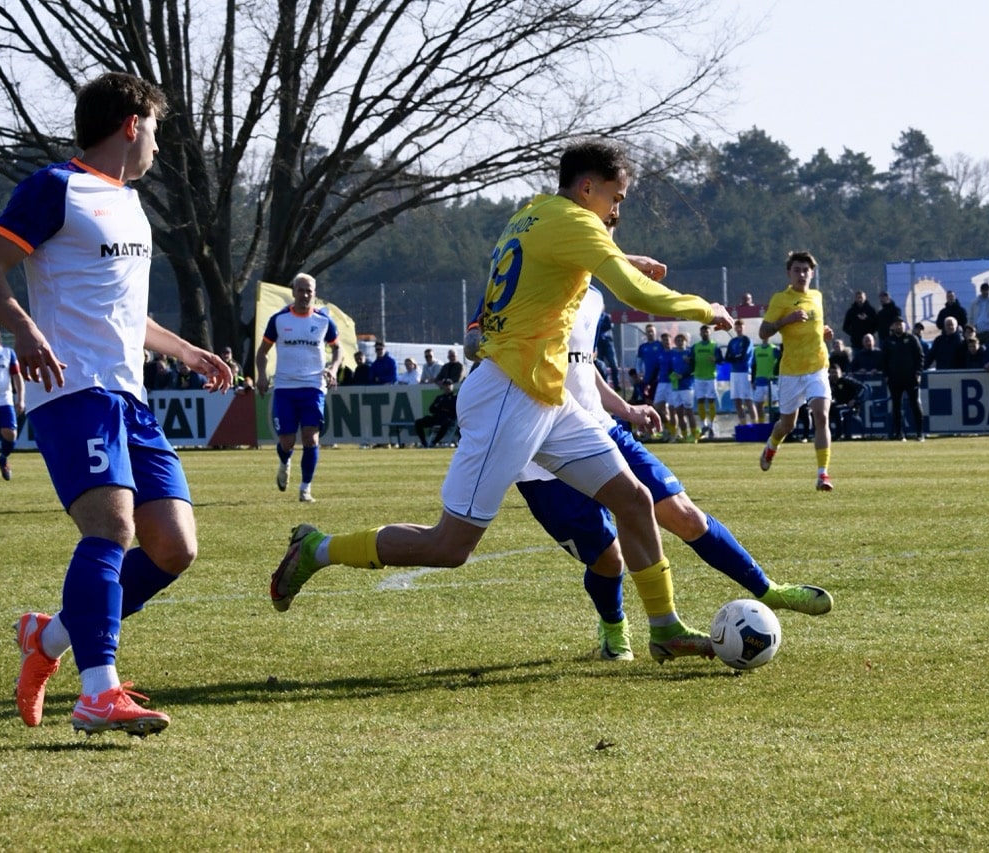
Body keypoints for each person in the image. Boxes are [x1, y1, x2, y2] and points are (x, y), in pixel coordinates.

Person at [269, 139, 733, 663]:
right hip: (509, 395)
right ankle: (317, 548)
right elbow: (637, 293)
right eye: (616, 198)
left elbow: (552, 265)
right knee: (449, 547)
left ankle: (665, 628)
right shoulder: (576, 222)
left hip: (543, 394)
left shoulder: (532, 214)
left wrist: (620, 255)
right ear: (588, 188)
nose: (617, 210)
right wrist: (703, 309)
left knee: (633, 500)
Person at [0, 72, 233, 735]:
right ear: (132, 124)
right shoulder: (53, 188)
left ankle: (50, 639)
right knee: (111, 524)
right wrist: (23, 327)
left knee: (174, 546)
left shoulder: (129, 204)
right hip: (72, 388)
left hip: (129, 395)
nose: (158, 141)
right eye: (155, 127)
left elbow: (128, 314)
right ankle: (98, 690)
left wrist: (187, 351)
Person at [515, 281, 831, 660]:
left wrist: (626, 410)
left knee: (684, 514)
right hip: (544, 453)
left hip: (601, 429)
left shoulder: (594, 297)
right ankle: (615, 629)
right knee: (607, 557)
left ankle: (766, 590)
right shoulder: (528, 283)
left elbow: (582, 365)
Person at [256, 272, 343, 504]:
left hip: (314, 387)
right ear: (293, 292)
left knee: (310, 438)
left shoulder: (324, 321)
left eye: (309, 291)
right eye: (301, 290)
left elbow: (338, 349)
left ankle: (305, 489)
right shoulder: (280, 320)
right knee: (286, 441)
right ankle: (285, 462)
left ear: (315, 294)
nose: (305, 295)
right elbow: (262, 352)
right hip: (285, 387)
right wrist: (262, 376)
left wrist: (333, 369)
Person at [757, 251, 834, 491]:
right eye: (797, 270)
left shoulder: (817, 296)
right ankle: (772, 445)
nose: (802, 274)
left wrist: (824, 333)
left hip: (817, 367)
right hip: (791, 371)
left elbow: (813, 328)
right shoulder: (781, 299)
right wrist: (785, 321)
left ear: (812, 273)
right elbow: (764, 332)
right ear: (789, 273)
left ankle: (823, 475)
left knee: (821, 416)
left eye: (805, 270)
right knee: (787, 424)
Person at [880, 318, 925, 441]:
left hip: (911, 378)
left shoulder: (911, 339)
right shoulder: (888, 341)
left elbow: (920, 356)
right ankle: (899, 434)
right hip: (895, 379)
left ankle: (920, 433)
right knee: (896, 406)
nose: (898, 326)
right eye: (896, 324)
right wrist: (886, 375)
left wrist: (918, 372)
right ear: (892, 326)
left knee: (915, 404)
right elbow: (883, 360)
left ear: (904, 325)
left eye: (900, 324)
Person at [0, 321, 24, 481]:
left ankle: (3, 458)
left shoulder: (7, 353)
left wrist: (21, 398)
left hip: (5, 400)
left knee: (10, 434)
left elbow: (17, 376)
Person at [690, 324, 720, 439]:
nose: (705, 333)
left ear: (710, 333)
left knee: (711, 401)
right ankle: (704, 425)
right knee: (700, 401)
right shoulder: (695, 347)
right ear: (700, 333)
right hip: (698, 377)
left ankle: (712, 426)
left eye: (707, 331)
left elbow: (720, 359)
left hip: (710, 377)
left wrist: (715, 359)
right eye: (703, 332)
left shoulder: (714, 346)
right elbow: (691, 359)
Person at [667, 331, 697, 442]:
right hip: (676, 387)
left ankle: (694, 435)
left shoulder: (689, 353)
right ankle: (685, 435)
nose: (680, 342)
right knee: (679, 412)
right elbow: (669, 369)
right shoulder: (673, 354)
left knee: (689, 411)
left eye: (682, 340)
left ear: (686, 341)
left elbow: (693, 368)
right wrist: (672, 375)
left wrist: (683, 375)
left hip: (687, 386)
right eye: (678, 341)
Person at [725, 318, 756, 426]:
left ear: (744, 328)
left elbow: (743, 356)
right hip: (734, 373)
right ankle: (743, 424)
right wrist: (734, 357)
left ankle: (754, 424)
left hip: (745, 372)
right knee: (737, 400)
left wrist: (734, 357)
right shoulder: (732, 341)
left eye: (740, 327)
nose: (738, 329)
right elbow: (727, 357)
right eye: (737, 327)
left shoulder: (747, 340)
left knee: (748, 400)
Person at [414, 378, 459, 447]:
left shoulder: (455, 397)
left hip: (448, 418)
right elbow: (431, 409)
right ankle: (424, 443)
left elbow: (453, 409)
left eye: (449, 385)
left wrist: (441, 408)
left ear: (452, 386)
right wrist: (442, 408)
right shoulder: (440, 397)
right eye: (445, 385)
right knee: (418, 422)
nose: (447, 387)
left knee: (445, 423)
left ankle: (434, 442)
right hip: (437, 417)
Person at [751, 331, 779, 422]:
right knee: (758, 404)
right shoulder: (756, 350)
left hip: (771, 381)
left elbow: (781, 362)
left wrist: (776, 375)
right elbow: (754, 366)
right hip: (759, 381)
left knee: (775, 403)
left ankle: (774, 422)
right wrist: (753, 380)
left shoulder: (774, 349)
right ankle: (761, 423)